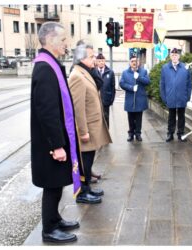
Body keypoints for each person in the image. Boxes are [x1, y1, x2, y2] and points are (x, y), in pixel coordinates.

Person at [31, 22, 79, 243]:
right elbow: (47, 111)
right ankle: (49, 229)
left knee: (57, 182)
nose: (66, 44)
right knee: (52, 184)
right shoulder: (44, 68)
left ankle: (55, 218)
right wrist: (57, 145)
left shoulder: (50, 64)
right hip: (51, 143)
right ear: (50, 41)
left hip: (55, 139)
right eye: (63, 40)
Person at [68, 41, 112, 204]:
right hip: (86, 129)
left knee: (88, 160)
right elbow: (78, 108)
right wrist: (83, 131)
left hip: (92, 127)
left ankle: (87, 188)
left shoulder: (85, 72)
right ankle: (82, 192)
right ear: (82, 58)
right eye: (92, 56)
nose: (94, 60)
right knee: (84, 161)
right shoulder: (77, 76)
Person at [160, 48, 192, 142]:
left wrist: (188, 96)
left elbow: (189, 84)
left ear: (179, 56)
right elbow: (162, 84)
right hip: (170, 96)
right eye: (173, 55)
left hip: (182, 96)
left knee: (181, 116)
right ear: (170, 56)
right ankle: (170, 133)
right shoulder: (165, 68)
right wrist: (164, 97)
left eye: (176, 55)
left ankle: (181, 133)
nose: (174, 57)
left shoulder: (185, 67)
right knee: (171, 116)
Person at [120, 53, 150, 142]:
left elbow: (148, 81)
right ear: (129, 62)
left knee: (139, 118)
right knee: (130, 118)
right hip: (130, 99)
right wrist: (131, 88)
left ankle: (138, 134)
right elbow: (122, 83)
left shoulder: (143, 71)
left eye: (136, 61)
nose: (134, 63)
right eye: (132, 61)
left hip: (140, 99)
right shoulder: (125, 72)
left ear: (138, 62)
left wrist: (139, 77)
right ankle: (131, 134)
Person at [96, 53, 116, 127]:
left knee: (106, 118)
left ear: (104, 61)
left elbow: (113, 87)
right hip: (96, 100)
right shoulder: (93, 72)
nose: (101, 62)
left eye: (102, 61)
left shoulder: (110, 72)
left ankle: (107, 135)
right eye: (99, 61)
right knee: (97, 119)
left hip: (106, 100)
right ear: (96, 62)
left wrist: (111, 100)